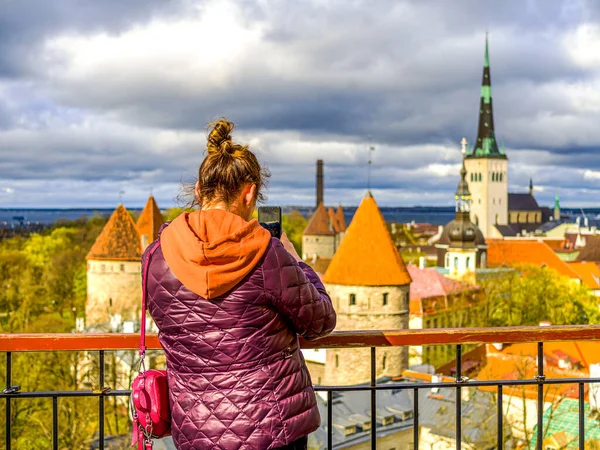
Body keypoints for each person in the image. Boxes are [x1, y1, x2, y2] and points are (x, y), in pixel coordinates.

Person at [143, 118, 337, 450]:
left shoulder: (155, 257)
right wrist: (297, 260)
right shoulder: (267, 253)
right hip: (271, 428)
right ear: (249, 194)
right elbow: (320, 322)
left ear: (200, 191)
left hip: (195, 431)